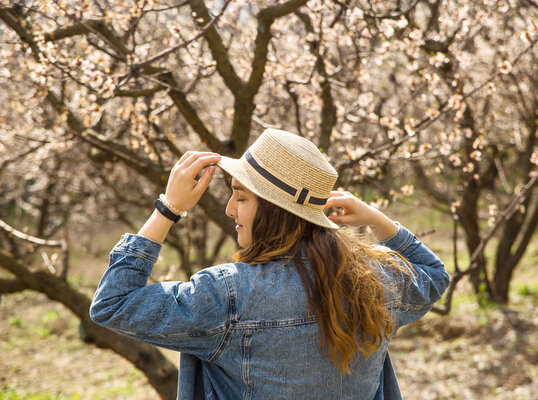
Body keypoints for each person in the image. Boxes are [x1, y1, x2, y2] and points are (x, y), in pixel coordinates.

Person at [90, 129, 449, 400]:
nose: (230, 209)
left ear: (275, 211)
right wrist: (376, 218)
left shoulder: (228, 294)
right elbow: (433, 274)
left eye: (241, 197)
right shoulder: (375, 279)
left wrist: (168, 208)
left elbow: (112, 303)